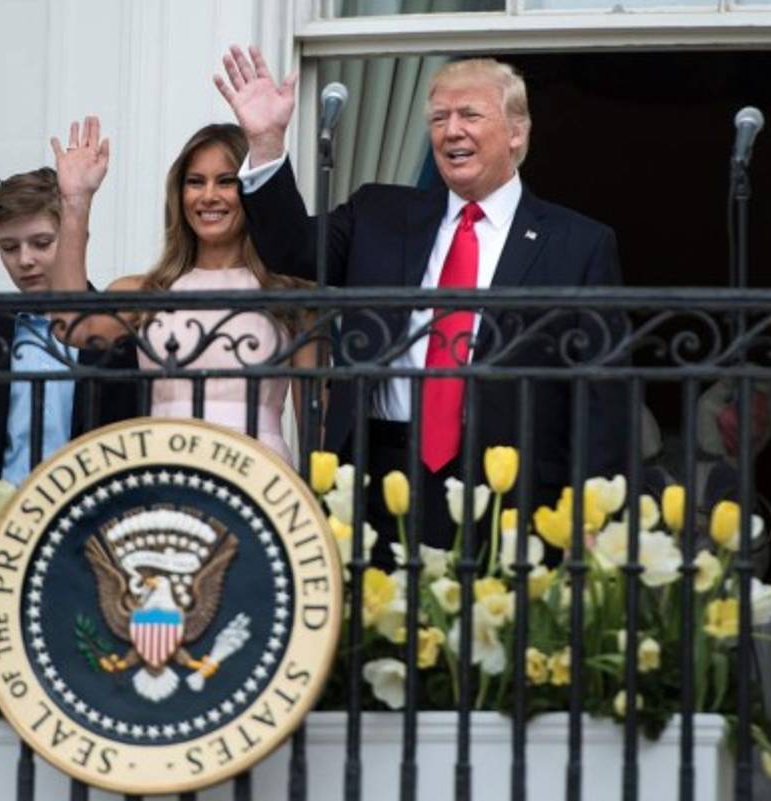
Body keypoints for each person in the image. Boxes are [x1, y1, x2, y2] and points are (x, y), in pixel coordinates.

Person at [215, 48, 627, 550]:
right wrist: (265, 143)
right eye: (439, 118)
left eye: (470, 115)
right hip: (379, 472)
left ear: (516, 132)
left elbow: (603, 393)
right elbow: (292, 248)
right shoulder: (380, 212)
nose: (452, 130)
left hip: (512, 485)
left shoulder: (578, 243)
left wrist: (595, 509)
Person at [44, 117, 317, 463]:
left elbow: (315, 421)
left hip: (261, 477)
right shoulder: (147, 292)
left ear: (250, 189)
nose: (208, 196)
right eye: (195, 182)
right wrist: (75, 203)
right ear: (179, 193)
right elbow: (70, 324)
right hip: (168, 470)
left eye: (226, 182)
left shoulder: (292, 293)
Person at [0, 168, 138, 550]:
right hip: (0, 526)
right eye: (9, 248)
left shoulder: (114, 327)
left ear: (73, 239)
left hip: (93, 530)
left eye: (41, 243)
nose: (25, 260)